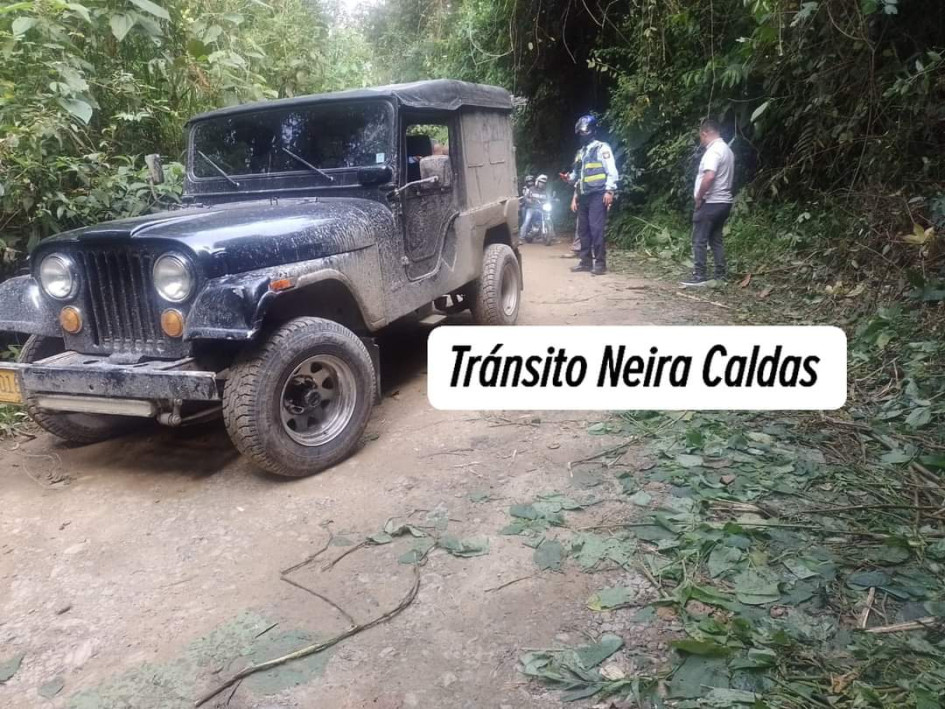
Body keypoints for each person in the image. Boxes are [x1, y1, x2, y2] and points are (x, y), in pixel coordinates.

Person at [682, 118, 735, 287]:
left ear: (705, 133)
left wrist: (699, 197)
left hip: (711, 202)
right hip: (724, 202)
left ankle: (699, 275)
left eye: (701, 137)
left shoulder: (713, 151)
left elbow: (709, 176)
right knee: (716, 239)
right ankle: (720, 274)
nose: (701, 141)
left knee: (699, 240)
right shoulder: (727, 150)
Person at [565, 115, 619, 276]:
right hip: (584, 195)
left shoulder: (602, 148)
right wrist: (570, 181)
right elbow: (577, 176)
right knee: (583, 230)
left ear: (592, 131)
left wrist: (610, 191)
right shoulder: (580, 153)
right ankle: (586, 261)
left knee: (596, 229)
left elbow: (612, 171)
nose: (582, 136)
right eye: (580, 133)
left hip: (598, 194)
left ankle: (600, 264)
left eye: (584, 132)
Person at [520, 174, 548, 242]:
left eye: (544, 183)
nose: (542, 184)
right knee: (527, 220)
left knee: (548, 218)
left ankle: (552, 236)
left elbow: (548, 199)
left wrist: (554, 200)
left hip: (541, 208)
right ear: (537, 182)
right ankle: (521, 237)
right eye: (541, 182)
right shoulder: (531, 189)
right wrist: (529, 201)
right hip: (531, 208)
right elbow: (525, 197)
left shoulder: (545, 192)